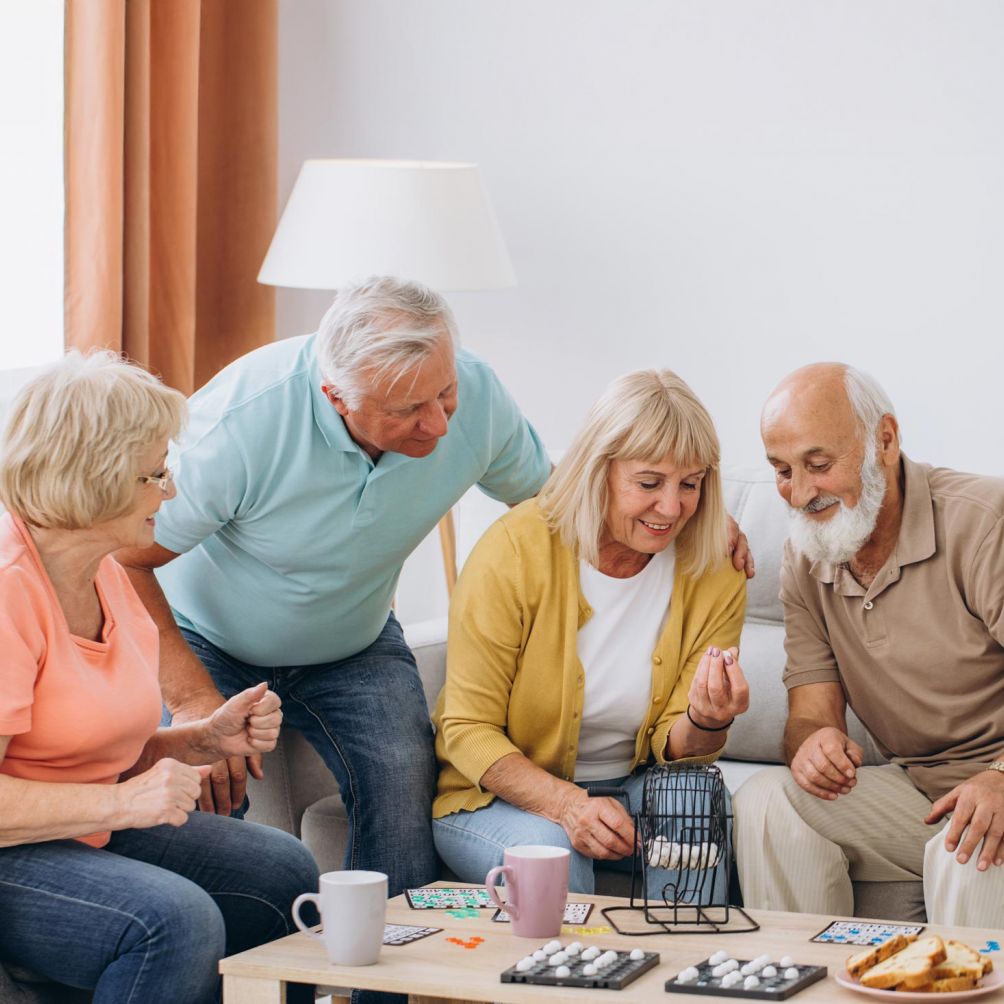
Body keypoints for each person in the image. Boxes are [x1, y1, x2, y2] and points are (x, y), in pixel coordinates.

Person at [116, 276, 555, 907]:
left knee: (403, 780)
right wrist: (191, 704)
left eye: (444, 392)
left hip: (355, 641)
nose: (435, 423)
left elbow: (552, 506)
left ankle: (385, 988)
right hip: (206, 637)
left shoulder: (477, 396)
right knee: (203, 803)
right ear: (336, 396)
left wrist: (695, 529)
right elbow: (126, 560)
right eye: (406, 409)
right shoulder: (241, 422)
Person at [0, 352, 319, 1004]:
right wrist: (122, 802)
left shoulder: (107, 572)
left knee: (285, 870)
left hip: (80, 821)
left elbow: (79, 749)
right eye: (154, 473)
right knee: (173, 919)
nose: (169, 492)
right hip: (14, 850)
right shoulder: (9, 590)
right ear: (95, 480)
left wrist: (202, 739)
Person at [432, 369, 750, 900]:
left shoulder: (714, 567)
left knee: (694, 798)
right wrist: (568, 805)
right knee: (553, 852)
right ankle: (578, 981)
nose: (671, 508)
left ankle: (688, 972)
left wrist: (706, 720)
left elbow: (684, 750)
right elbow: (466, 729)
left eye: (689, 484)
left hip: (634, 784)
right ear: (597, 470)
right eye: (648, 483)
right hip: (501, 801)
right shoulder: (515, 550)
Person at [735, 362, 1004, 926]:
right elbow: (811, 715)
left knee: (970, 846)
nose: (800, 492)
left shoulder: (983, 524)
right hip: (924, 793)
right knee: (768, 800)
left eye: (819, 464)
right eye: (782, 470)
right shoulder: (804, 558)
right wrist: (813, 746)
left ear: (885, 439)